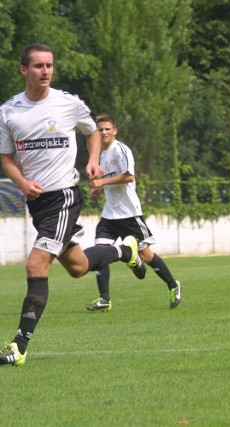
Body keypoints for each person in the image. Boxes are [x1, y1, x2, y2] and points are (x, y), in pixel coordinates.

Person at [0, 44, 145, 367]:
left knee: (35, 266)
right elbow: (6, 158)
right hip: (37, 203)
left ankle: (19, 346)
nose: (45, 71)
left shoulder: (67, 103)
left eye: (49, 65)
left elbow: (92, 131)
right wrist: (22, 183)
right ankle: (126, 251)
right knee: (78, 267)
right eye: (38, 66)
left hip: (65, 196)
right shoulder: (9, 111)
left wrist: (93, 160)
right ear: (24, 70)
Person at [86, 114, 182, 312]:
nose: (103, 132)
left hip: (129, 214)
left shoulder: (121, 150)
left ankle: (173, 285)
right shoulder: (101, 155)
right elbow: (112, 182)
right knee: (100, 252)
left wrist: (102, 182)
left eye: (107, 129)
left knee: (146, 256)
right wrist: (99, 190)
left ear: (115, 131)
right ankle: (104, 299)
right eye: (100, 129)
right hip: (109, 215)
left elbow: (129, 177)